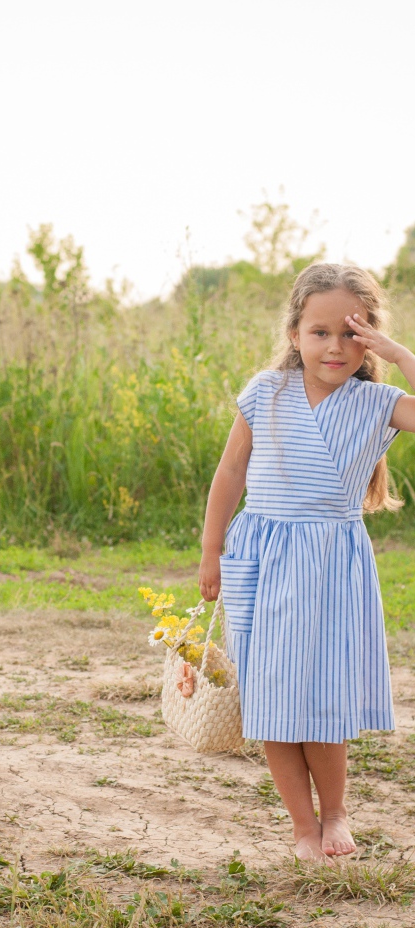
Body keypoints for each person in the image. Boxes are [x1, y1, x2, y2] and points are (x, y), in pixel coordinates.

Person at [198, 263, 415, 862]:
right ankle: (302, 825)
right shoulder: (265, 392)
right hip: (263, 561)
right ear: (294, 333)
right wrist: (211, 549)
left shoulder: (378, 402)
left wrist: (400, 355)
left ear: (370, 337)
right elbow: (231, 472)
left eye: (352, 332)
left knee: (323, 697)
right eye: (320, 332)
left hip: (331, 567)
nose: (335, 347)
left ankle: (336, 813)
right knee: (271, 698)